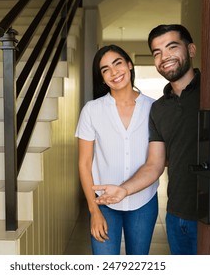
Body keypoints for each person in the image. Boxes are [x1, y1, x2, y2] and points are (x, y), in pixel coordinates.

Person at [93, 24, 200, 255]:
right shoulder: (159, 109)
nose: (165, 57)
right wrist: (123, 189)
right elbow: (154, 164)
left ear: (191, 49)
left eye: (172, 47)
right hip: (177, 215)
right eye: (157, 52)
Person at [75, 44, 159, 255]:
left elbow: (159, 160)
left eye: (118, 63)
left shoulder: (154, 108)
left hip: (144, 201)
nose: (114, 72)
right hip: (103, 203)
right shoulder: (92, 111)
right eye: (105, 70)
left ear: (129, 65)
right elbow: (84, 163)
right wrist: (94, 211)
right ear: (102, 78)